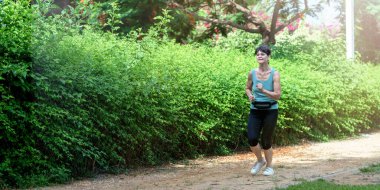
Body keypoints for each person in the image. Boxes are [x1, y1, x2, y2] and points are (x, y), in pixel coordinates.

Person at [245, 45, 281, 176]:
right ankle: (260, 161)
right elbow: (247, 88)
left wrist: (263, 90)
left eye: (263, 54)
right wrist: (249, 95)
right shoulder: (252, 73)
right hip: (255, 109)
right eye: (258, 54)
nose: (259, 56)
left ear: (268, 57)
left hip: (270, 110)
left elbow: (278, 95)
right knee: (252, 138)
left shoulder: (274, 73)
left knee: (266, 141)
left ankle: (270, 166)